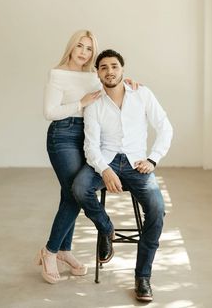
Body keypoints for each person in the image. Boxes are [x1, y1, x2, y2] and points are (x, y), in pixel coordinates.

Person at [36, 31, 138, 284]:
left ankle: (63, 250)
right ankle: (49, 252)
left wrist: (130, 83)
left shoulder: (94, 75)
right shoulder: (57, 74)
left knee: (68, 193)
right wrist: (80, 103)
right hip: (64, 134)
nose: (84, 52)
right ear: (71, 47)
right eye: (80, 46)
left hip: (91, 137)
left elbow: (110, 86)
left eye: (89, 49)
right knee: (73, 193)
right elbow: (49, 112)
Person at [72, 49, 173, 302]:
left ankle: (142, 276)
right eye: (103, 67)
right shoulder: (94, 103)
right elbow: (90, 145)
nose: (109, 71)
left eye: (114, 66)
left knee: (157, 209)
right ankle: (106, 229)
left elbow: (165, 127)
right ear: (98, 73)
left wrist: (153, 159)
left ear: (122, 69)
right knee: (79, 187)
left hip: (136, 162)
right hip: (104, 160)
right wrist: (104, 170)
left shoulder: (142, 94)